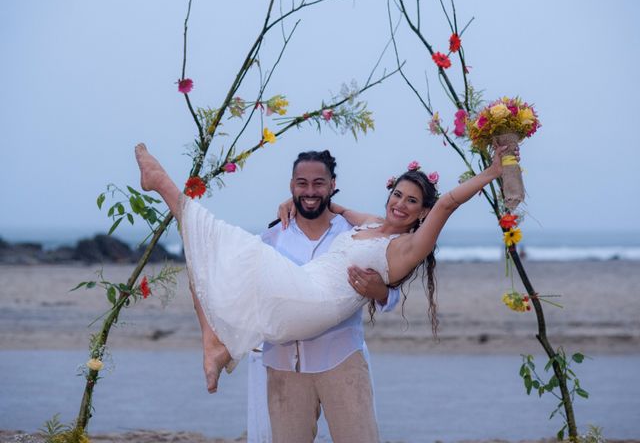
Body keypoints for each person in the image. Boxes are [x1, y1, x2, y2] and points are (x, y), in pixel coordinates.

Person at [134, 142, 508, 395]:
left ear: (423, 212)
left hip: (314, 304)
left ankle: (162, 183)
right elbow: (338, 207)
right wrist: (294, 200)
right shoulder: (369, 224)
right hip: (299, 294)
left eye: (412, 202)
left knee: (229, 244)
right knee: (209, 268)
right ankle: (214, 345)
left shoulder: (409, 246)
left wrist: (492, 171)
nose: (401, 204)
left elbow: (447, 205)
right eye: (397, 194)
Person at [248, 150, 400, 442]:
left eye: (318, 183)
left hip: (342, 361)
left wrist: (379, 291)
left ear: (333, 184)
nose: (310, 191)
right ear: (291, 185)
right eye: (302, 183)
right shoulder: (272, 238)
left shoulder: (356, 234)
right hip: (282, 366)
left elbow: (391, 296)